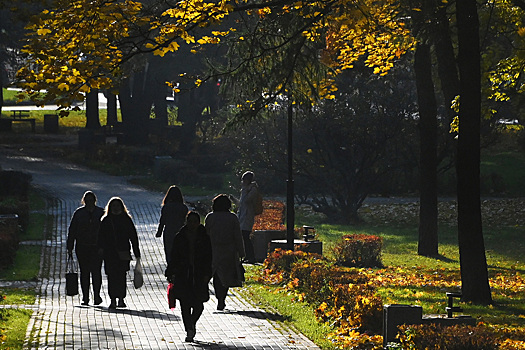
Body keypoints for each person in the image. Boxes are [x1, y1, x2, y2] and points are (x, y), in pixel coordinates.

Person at [165, 212, 212, 342]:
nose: (191, 224)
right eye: (189, 221)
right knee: (185, 304)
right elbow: (174, 255)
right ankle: (189, 330)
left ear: (198, 223)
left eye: (194, 222)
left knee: (199, 305)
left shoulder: (204, 237)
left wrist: (207, 273)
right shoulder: (180, 237)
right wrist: (170, 271)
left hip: (198, 274)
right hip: (183, 274)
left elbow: (208, 257)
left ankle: (191, 323)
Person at [98, 197, 141, 309]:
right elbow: (101, 236)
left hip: (123, 252)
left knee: (121, 276)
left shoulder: (126, 220)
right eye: (114, 206)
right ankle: (113, 299)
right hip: (110, 253)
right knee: (112, 276)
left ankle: (121, 298)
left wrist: (136, 252)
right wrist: (101, 249)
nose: (116, 208)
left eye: (118, 206)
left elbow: (133, 236)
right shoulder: (106, 220)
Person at [205, 194, 245, 311]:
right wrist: (241, 251)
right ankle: (222, 299)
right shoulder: (232, 218)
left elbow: (206, 234)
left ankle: (219, 298)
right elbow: (238, 236)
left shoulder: (210, 217)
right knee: (226, 276)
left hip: (213, 250)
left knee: (216, 275)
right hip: (229, 251)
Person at [67, 191, 105, 306]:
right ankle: (86, 297)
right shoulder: (79, 213)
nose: (89, 202)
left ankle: (96, 295)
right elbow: (72, 230)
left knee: (96, 272)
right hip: (82, 247)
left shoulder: (100, 213)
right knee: (85, 272)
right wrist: (70, 246)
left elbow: (105, 231)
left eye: (91, 200)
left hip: (96, 247)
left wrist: (103, 246)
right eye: (87, 200)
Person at [156, 185, 188, 264]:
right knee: (180, 251)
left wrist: (159, 232)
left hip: (169, 232)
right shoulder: (183, 207)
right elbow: (186, 221)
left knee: (169, 251)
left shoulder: (166, 207)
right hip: (181, 232)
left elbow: (162, 220)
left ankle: (171, 268)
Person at [237, 171, 258, 263]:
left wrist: (245, 190)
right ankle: (246, 256)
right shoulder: (245, 189)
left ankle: (251, 256)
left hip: (247, 216)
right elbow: (241, 204)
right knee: (243, 237)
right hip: (242, 216)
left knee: (246, 237)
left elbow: (246, 200)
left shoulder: (252, 189)